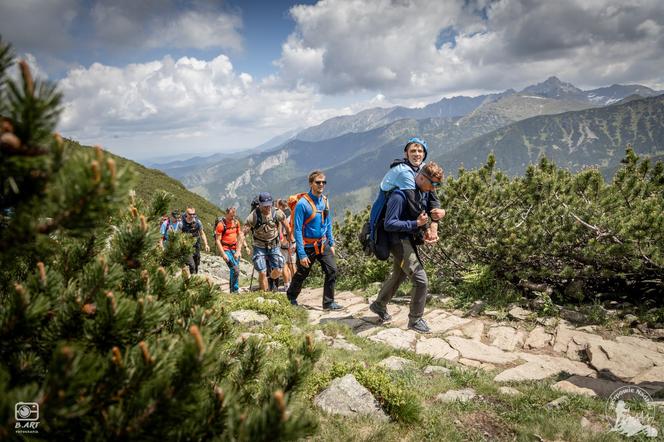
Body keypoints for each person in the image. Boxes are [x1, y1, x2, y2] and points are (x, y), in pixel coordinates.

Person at [369, 162, 445, 333]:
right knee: (421, 279)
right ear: (421, 177)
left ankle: (379, 305)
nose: (434, 188)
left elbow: (421, 216)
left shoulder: (421, 194)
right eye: (432, 183)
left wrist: (425, 228)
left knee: (399, 275)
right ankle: (415, 320)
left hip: (407, 239)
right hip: (397, 241)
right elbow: (389, 224)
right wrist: (415, 223)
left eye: (437, 185)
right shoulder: (399, 195)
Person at [286, 170, 342, 310]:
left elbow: (327, 222)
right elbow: (297, 229)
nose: (321, 184)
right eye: (318, 182)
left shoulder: (324, 200)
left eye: (323, 182)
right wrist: (302, 253)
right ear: (311, 184)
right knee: (302, 273)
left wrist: (332, 242)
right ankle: (291, 297)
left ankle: (328, 303)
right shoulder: (302, 205)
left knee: (332, 270)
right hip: (307, 246)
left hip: (323, 244)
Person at [244, 192, 290, 291]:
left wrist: (292, 240)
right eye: (265, 206)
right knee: (262, 271)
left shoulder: (277, 213)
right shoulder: (253, 216)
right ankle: (265, 294)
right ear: (259, 205)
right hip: (259, 246)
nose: (268, 207)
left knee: (278, 269)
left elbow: (286, 225)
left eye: (269, 205)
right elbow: (242, 233)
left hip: (273, 244)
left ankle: (270, 279)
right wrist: (240, 249)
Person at [215, 207, 245, 293]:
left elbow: (240, 236)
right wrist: (223, 254)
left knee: (234, 270)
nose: (233, 217)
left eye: (234, 215)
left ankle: (232, 290)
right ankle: (234, 291)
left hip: (235, 249)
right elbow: (217, 240)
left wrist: (240, 250)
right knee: (235, 269)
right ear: (226, 213)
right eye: (231, 215)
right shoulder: (221, 225)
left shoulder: (236, 222)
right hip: (226, 249)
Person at [180, 207, 209, 274]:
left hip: (196, 246)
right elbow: (178, 234)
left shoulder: (197, 222)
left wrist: (206, 244)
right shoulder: (181, 223)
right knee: (191, 264)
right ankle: (192, 280)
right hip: (186, 246)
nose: (192, 216)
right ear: (186, 214)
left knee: (196, 263)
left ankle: (194, 279)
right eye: (190, 214)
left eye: (194, 214)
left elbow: (202, 233)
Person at [276, 198, 295, 289]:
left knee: (284, 264)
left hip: (284, 240)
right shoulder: (292, 214)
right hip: (293, 240)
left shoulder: (280, 215)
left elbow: (280, 229)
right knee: (292, 263)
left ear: (280, 206)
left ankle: (287, 285)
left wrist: (281, 239)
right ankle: (295, 284)